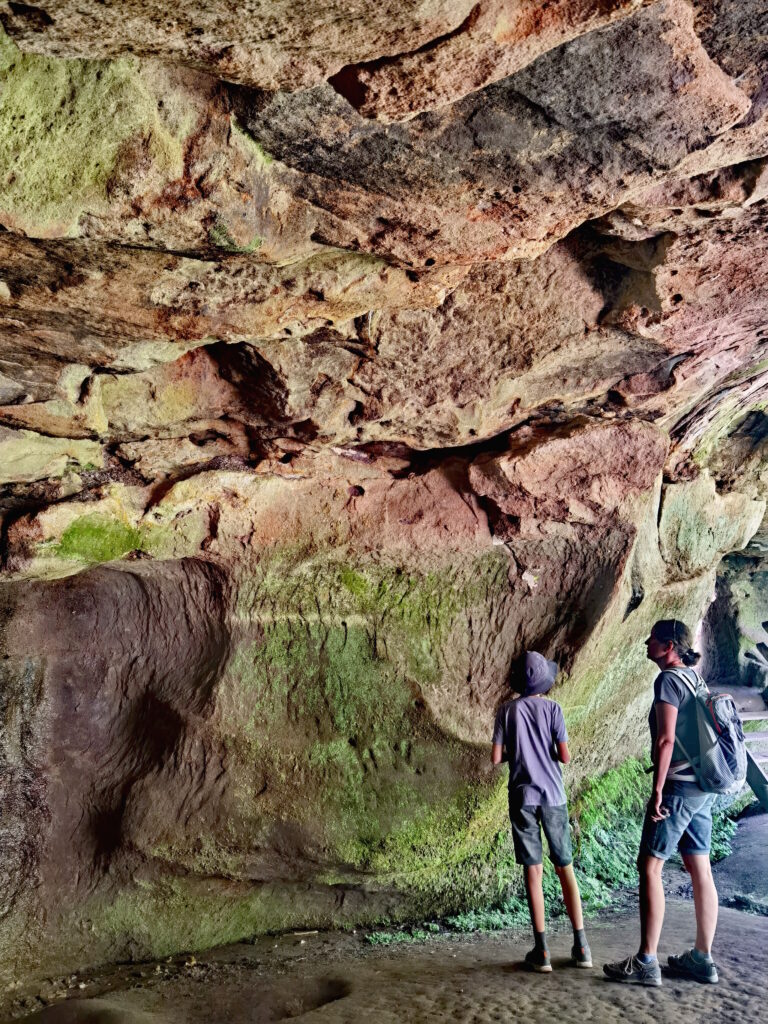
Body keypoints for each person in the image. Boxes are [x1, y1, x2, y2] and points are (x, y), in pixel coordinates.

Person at [603, 619, 720, 987]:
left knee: (650, 866)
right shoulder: (695, 680)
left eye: (652, 639)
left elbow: (666, 740)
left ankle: (646, 961)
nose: (646, 643)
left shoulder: (668, 681)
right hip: (702, 787)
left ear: (669, 646)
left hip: (678, 788)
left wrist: (657, 789)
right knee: (700, 868)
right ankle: (702, 958)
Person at [492, 650, 591, 972]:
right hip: (553, 797)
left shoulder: (506, 711)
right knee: (565, 868)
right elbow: (565, 756)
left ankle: (542, 951)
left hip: (523, 797)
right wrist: (546, 750)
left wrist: (519, 753)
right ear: (544, 682)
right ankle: (581, 947)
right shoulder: (554, 709)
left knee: (533, 872)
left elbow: (496, 758)